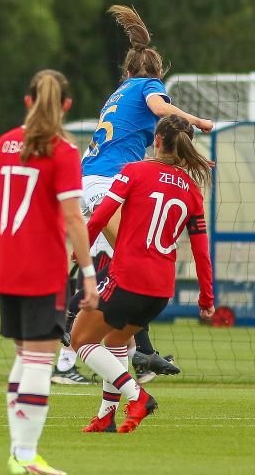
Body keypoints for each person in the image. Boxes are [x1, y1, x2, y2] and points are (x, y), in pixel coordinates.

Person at [57, 5, 214, 385]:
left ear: (126, 69)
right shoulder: (148, 87)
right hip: (106, 183)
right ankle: (85, 338)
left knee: (115, 266)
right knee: (132, 258)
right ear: (156, 73)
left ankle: (124, 352)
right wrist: (198, 122)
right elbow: (160, 109)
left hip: (92, 181)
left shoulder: (118, 92)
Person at [0, 70, 99, 475]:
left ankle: (18, 451)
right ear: (66, 105)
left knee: (24, 356)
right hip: (43, 270)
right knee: (39, 361)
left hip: (6, 268)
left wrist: (2, 251)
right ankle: (27, 453)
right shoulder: (62, 153)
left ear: (27, 101)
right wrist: (87, 274)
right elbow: (73, 219)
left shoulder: (3, 144)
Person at [74, 115, 214, 434]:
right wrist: (207, 299)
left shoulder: (133, 171)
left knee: (82, 340)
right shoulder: (192, 191)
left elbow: (101, 214)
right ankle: (106, 416)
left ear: (158, 141)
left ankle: (138, 396)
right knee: (116, 341)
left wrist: (78, 250)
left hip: (129, 276)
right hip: (161, 288)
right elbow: (201, 252)